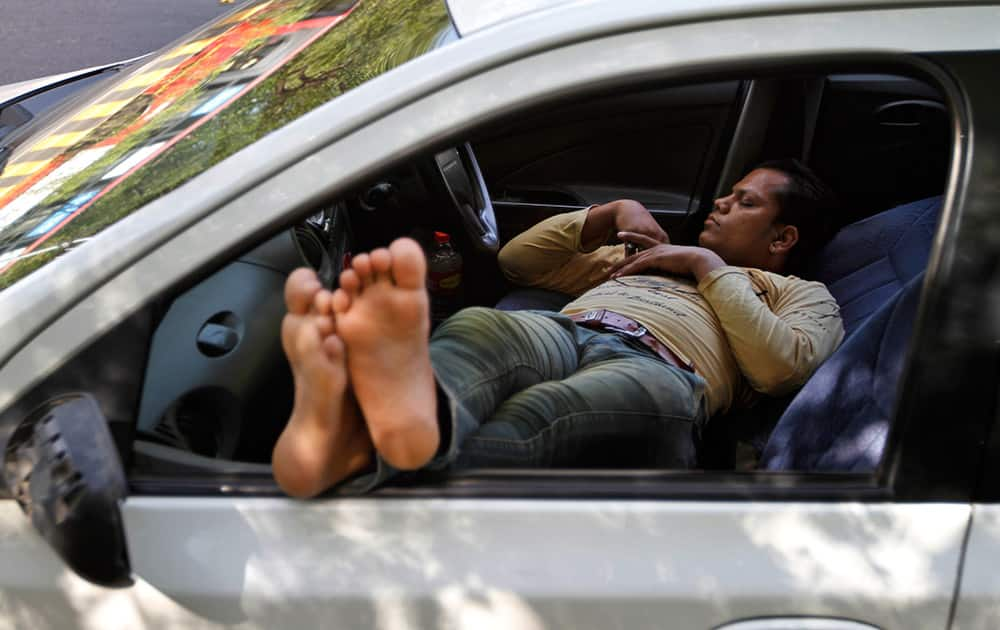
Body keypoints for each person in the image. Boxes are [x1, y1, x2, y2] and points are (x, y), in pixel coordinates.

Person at [271, 159, 844, 498]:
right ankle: (371, 437)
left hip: (663, 371)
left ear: (781, 238)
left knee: (545, 413)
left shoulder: (802, 296)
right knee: (479, 328)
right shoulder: (651, 254)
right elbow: (519, 263)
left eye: (742, 201)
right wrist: (610, 213)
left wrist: (706, 268)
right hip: (565, 328)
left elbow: (778, 369)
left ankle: (360, 459)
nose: (719, 202)